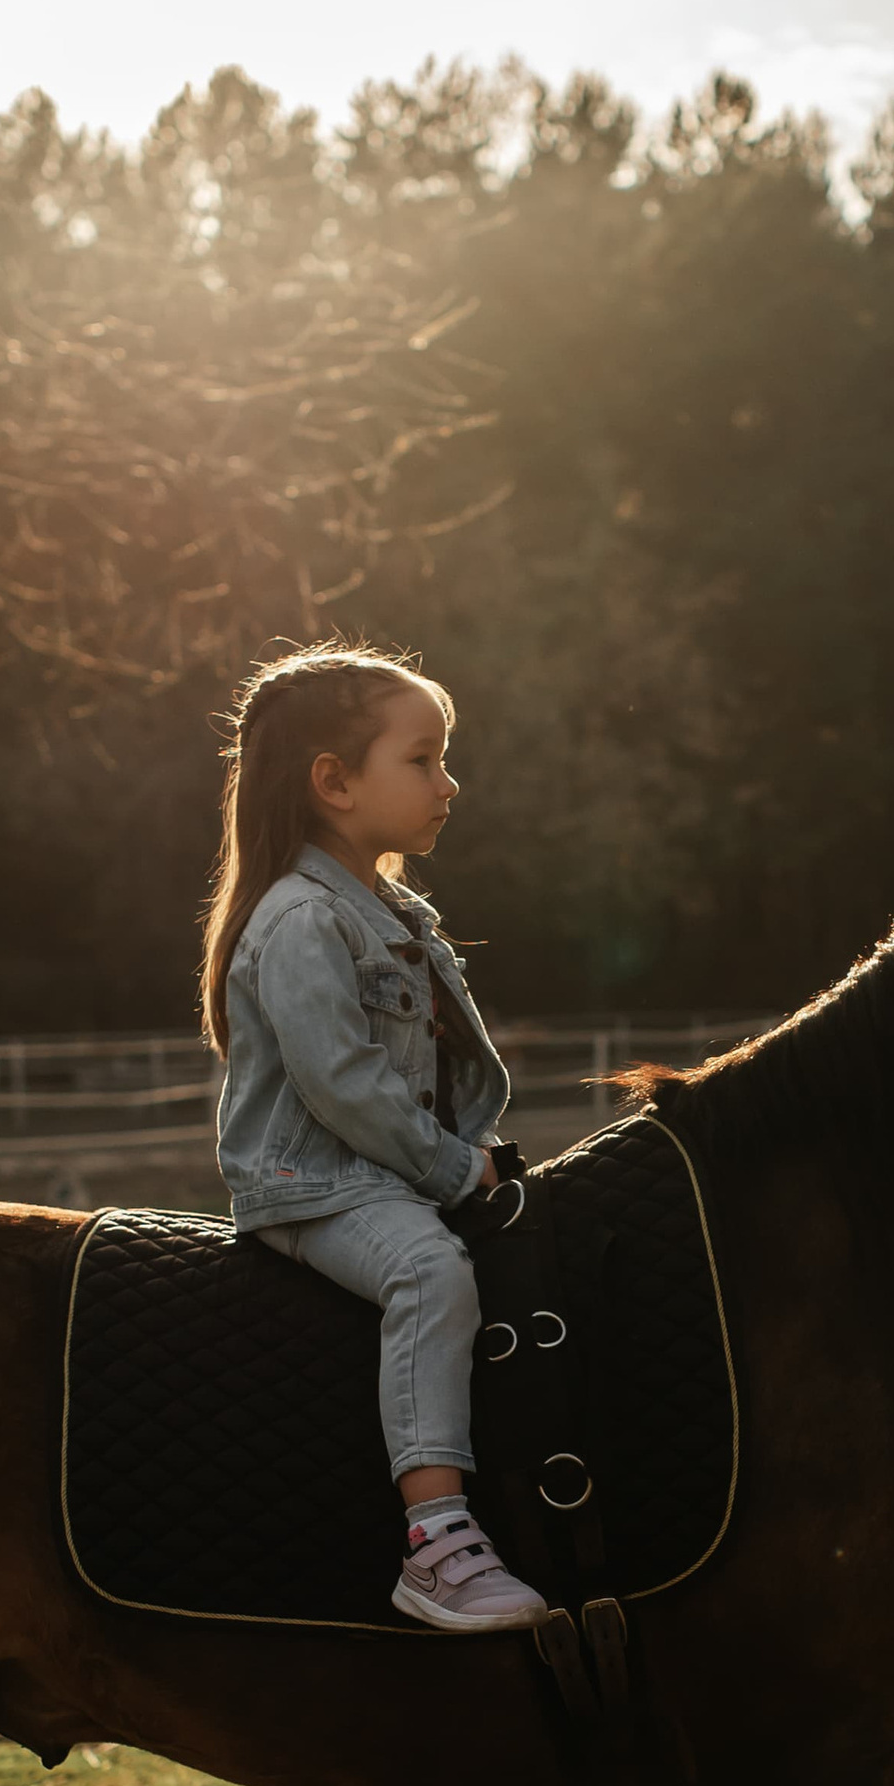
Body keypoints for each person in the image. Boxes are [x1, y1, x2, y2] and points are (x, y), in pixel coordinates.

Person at [202, 643, 548, 1633]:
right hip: (315, 1186)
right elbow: (342, 1082)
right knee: (429, 1274)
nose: (449, 782)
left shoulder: (390, 911)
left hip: (379, 1174)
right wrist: (452, 1169)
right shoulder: (304, 919)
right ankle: (436, 1541)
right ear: (334, 783)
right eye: (424, 759)